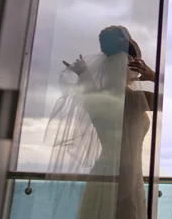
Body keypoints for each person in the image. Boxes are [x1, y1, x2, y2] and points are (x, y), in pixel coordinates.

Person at [46, 25, 156, 219]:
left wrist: (83, 74)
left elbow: (88, 87)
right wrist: (153, 76)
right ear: (131, 64)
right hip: (127, 175)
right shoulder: (133, 99)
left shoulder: (94, 97)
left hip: (102, 173)